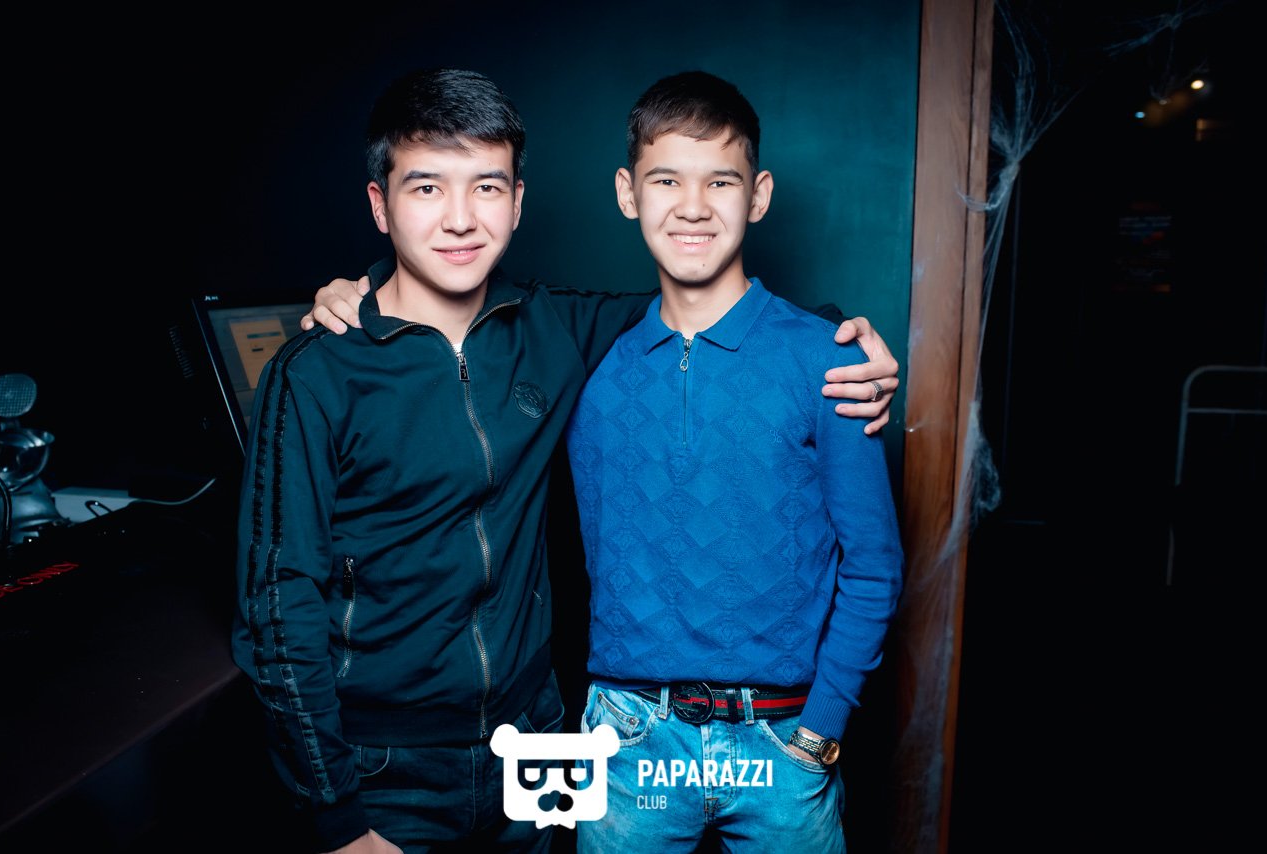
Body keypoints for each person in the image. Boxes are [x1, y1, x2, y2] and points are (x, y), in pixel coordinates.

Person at [236, 68, 898, 854]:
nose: (459, 217)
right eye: (426, 188)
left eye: (486, 187)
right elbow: (277, 606)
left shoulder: (558, 333)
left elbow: (720, 316)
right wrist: (335, 816)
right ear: (380, 206)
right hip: (398, 764)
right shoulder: (318, 371)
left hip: (539, 742)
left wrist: (839, 343)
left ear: (517, 201)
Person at [564, 71, 904, 851]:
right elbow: (453, 311)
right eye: (666, 180)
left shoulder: (832, 360)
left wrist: (820, 732)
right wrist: (353, 295)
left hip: (783, 740)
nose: (693, 206)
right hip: (628, 742)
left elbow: (875, 565)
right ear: (627, 193)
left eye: (720, 180)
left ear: (759, 195)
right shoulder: (584, 358)